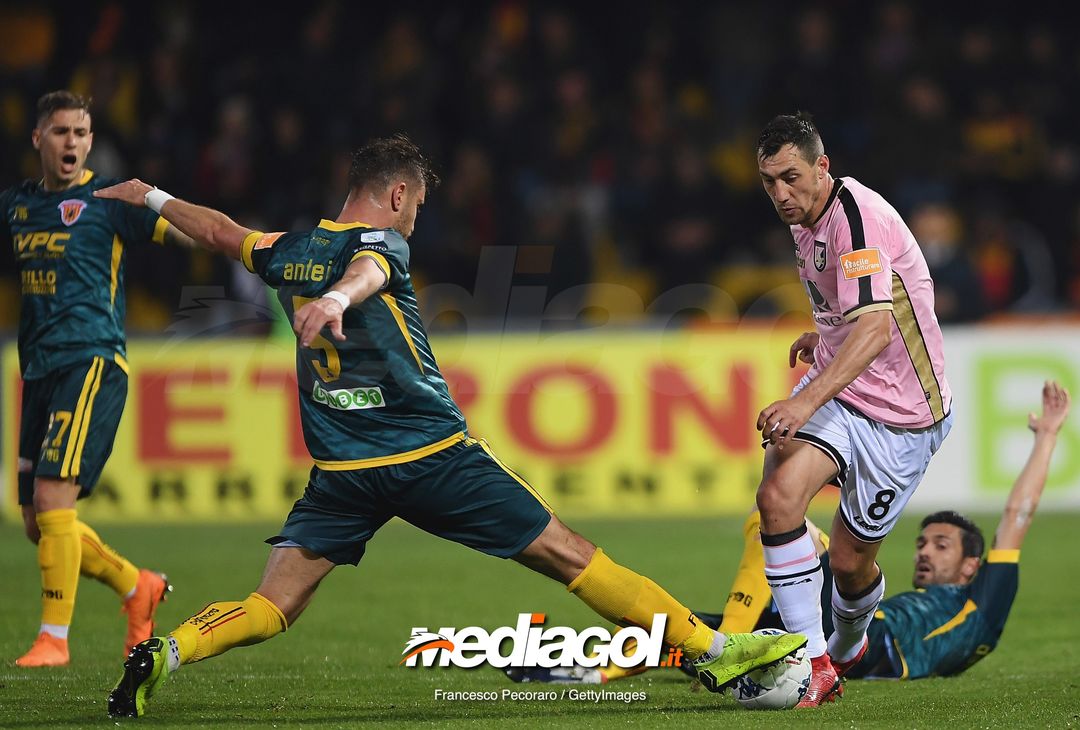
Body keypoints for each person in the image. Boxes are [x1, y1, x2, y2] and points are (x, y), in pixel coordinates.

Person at [94, 134, 806, 719]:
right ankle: (716, 655)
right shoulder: (382, 243)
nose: (415, 220)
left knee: (271, 603)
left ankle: (169, 651)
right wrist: (340, 297)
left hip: (343, 474)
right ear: (399, 192)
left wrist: (149, 195)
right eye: (418, 205)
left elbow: (220, 232)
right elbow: (372, 267)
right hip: (432, 457)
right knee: (571, 554)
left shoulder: (292, 250)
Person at [512, 380, 1070, 686]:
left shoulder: (984, 605)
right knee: (694, 631)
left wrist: (1047, 436)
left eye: (941, 546)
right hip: (838, 629)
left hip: (877, 649)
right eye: (923, 542)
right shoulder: (933, 605)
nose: (924, 553)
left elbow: (1017, 515)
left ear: (974, 567)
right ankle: (584, 668)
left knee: (786, 526)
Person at [752, 111, 953, 706]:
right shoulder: (806, 214)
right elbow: (856, 316)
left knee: (848, 562)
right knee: (778, 495)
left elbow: (876, 329)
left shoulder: (857, 222)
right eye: (769, 182)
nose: (781, 194)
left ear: (823, 166)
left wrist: (804, 396)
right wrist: (826, 338)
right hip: (847, 390)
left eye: (791, 177)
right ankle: (810, 660)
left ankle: (846, 645)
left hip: (904, 417)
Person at [0, 91, 190, 667]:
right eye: (61, 132)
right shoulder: (15, 207)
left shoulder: (108, 201)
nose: (73, 143)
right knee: (39, 524)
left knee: (55, 499)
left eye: (81, 132)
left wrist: (210, 234)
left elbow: (181, 234)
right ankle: (139, 586)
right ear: (38, 138)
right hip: (37, 369)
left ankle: (54, 638)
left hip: (92, 362)